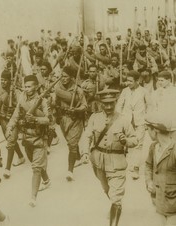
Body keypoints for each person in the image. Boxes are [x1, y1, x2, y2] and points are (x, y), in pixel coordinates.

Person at [79, 89, 138, 226]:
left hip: (117, 162)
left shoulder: (123, 120)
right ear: (100, 104)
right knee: (107, 190)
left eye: (112, 103)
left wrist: (126, 141)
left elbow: (135, 140)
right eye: (105, 104)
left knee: (116, 197)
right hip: (98, 161)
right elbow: (87, 135)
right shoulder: (94, 117)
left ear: (116, 102)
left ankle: (115, 210)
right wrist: (85, 152)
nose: (109, 107)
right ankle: (115, 205)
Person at [6, 75, 51, 207]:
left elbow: (49, 120)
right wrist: (10, 127)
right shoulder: (22, 99)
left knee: (36, 168)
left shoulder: (43, 101)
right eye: (25, 86)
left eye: (30, 86)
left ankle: (33, 197)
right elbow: (15, 115)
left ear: (36, 86)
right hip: (27, 139)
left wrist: (36, 119)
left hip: (39, 138)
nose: (27, 89)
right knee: (35, 163)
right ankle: (47, 180)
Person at [0, 70, 25, 179]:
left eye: (5, 80)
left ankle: (7, 169)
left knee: (10, 141)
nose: (3, 82)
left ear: (10, 80)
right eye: (1, 80)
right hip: (3, 117)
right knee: (10, 139)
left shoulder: (16, 91)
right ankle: (20, 156)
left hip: (14, 118)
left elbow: (21, 105)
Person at [116, 70, 151, 179]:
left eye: (131, 81)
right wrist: (120, 118)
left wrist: (147, 120)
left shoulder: (144, 91)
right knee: (124, 143)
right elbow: (119, 106)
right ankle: (122, 165)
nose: (128, 83)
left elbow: (150, 106)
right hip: (126, 122)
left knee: (138, 145)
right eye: (127, 81)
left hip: (140, 122)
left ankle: (136, 167)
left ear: (137, 81)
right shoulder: (125, 91)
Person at [55, 66, 87, 181]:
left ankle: (70, 171)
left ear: (71, 77)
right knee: (70, 142)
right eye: (62, 76)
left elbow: (84, 105)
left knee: (72, 144)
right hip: (64, 119)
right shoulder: (58, 88)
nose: (63, 79)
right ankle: (77, 155)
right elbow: (54, 103)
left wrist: (77, 110)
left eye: (66, 77)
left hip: (75, 119)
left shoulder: (78, 90)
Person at [145, 112, 176, 226]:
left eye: (148, 128)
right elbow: (148, 165)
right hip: (157, 202)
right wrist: (148, 181)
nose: (147, 132)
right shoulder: (153, 147)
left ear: (155, 130)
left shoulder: (174, 150)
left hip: (173, 207)